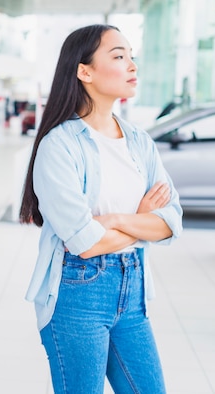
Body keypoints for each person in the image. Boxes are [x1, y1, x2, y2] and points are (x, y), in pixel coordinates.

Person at [19, 24, 183, 394]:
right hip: (79, 292)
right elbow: (84, 243)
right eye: (119, 56)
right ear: (85, 71)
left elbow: (172, 221)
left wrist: (119, 219)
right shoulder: (58, 146)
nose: (132, 65)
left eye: (132, 56)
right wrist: (143, 220)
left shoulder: (139, 141)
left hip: (133, 287)